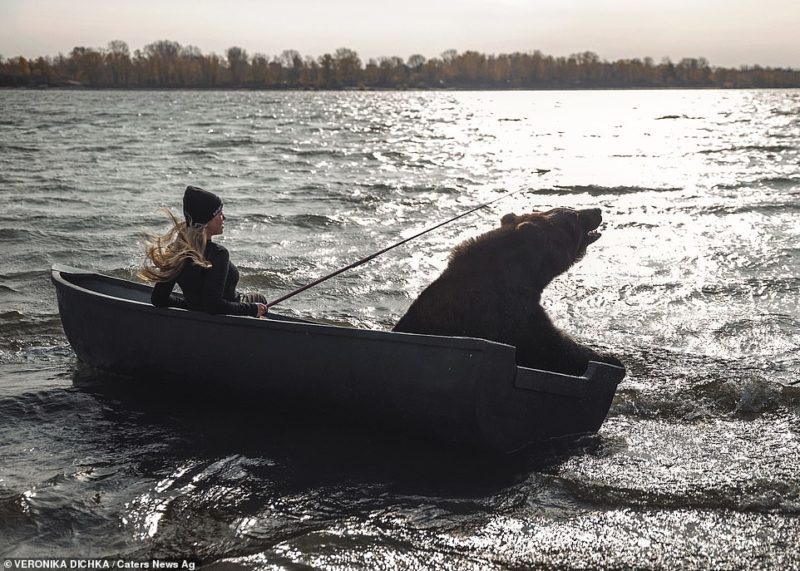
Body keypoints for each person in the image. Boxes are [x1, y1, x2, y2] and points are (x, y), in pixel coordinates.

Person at [139, 185, 269, 318]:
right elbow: (213, 305)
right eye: (219, 213)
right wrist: (252, 309)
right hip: (231, 314)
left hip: (207, 311)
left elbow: (159, 299)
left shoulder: (177, 251)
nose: (224, 217)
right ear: (206, 221)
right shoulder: (219, 253)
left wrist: (192, 307)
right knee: (260, 299)